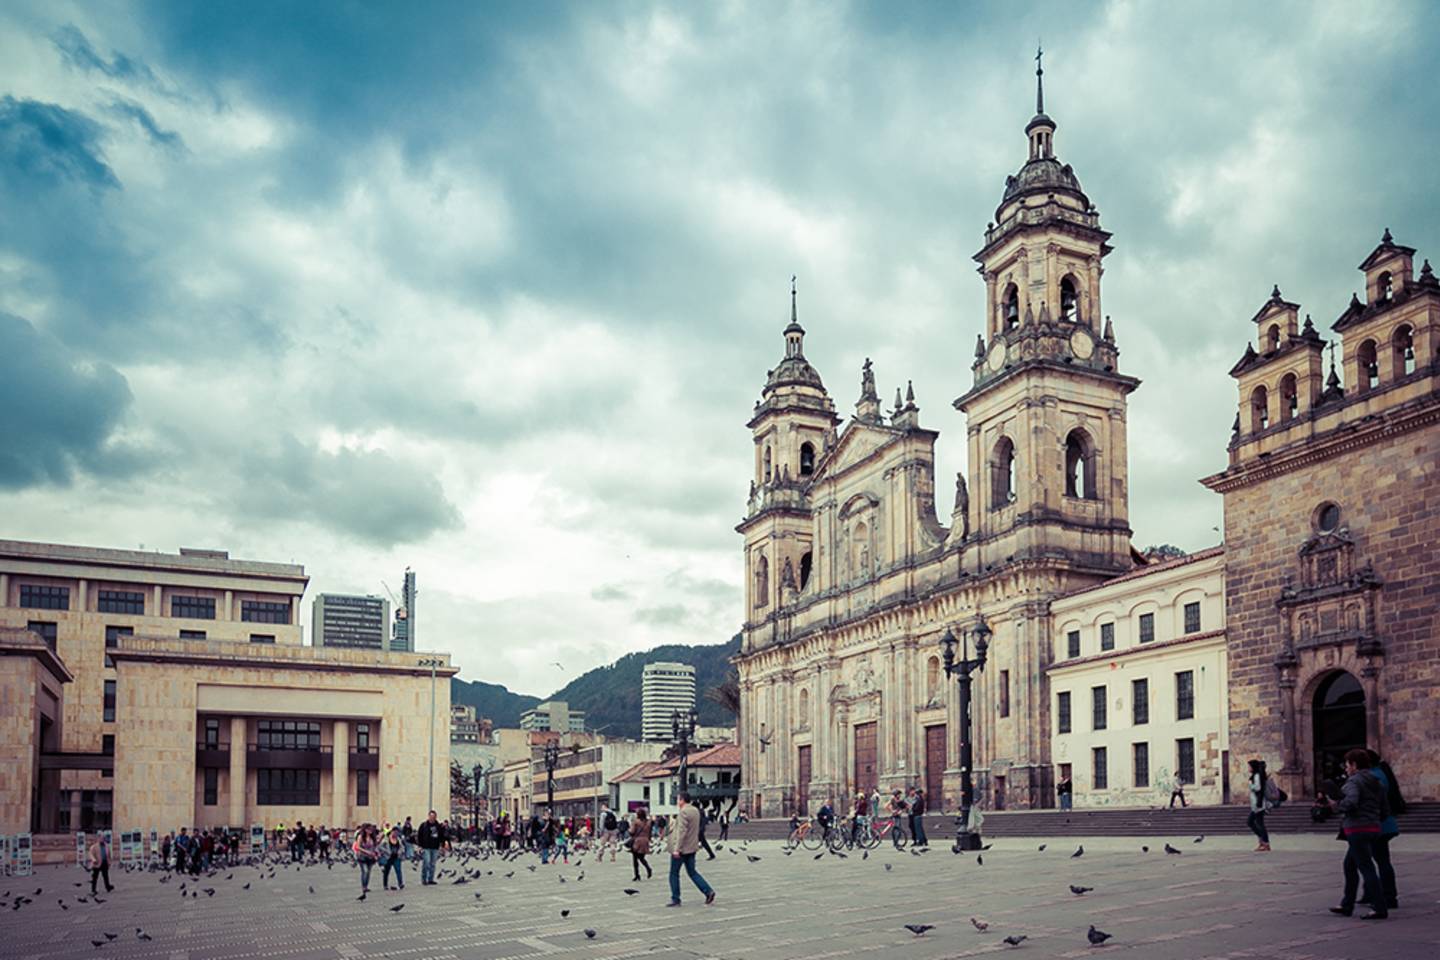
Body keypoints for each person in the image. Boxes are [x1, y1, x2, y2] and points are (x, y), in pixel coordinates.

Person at [1327, 749, 1389, 919]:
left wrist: (1335, 804)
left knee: (1366, 867)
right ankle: (1347, 904)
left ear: (1354, 765)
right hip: (1373, 827)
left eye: (1347, 765)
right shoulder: (1377, 782)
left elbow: (1350, 803)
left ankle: (1379, 907)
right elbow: (1385, 809)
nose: (1346, 769)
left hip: (1357, 828)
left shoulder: (1354, 782)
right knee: (1349, 865)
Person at [1366, 751, 1402, 911]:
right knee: (1373, 860)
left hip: (1378, 825)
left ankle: (1388, 896)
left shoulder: (1374, 777)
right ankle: (1373, 893)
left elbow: (1371, 801)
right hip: (1382, 824)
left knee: (1381, 861)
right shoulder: (1379, 773)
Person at [666, 792, 715, 906]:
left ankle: (676, 898)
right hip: (692, 847)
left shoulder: (683, 812)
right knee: (692, 872)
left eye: (678, 800)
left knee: (674, 873)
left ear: (682, 800)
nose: (678, 802)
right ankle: (708, 891)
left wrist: (677, 849)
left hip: (682, 848)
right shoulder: (695, 810)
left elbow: (682, 832)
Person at [1247, 759, 1272, 852]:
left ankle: (1264, 843)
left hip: (1259, 804)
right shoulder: (1255, 776)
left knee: (1254, 822)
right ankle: (1263, 842)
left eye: (1249, 766)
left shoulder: (1257, 776)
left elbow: (1258, 788)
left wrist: (1250, 785)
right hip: (1256, 804)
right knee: (1255, 823)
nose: (1248, 768)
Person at [417, 810, 444, 884]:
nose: (432, 818)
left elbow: (441, 836)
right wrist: (419, 846)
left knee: (433, 864)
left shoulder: (438, 826)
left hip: (435, 847)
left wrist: (442, 846)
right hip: (426, 847)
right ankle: (424, 879)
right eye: (431, 816)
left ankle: (430, 879)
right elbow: (419, 836)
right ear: (428, 816)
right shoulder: (423, 825)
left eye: (434, 817)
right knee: (427, 862)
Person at [353, 825, 379, 896]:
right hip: (362, 857)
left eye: (371, 829)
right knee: (365, 871)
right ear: (365, 830)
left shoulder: (372, 838)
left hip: (370, 857)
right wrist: (366, 852)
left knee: (368, 872)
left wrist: (376, 854)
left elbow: (375, 846)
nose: (370, 831)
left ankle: (366, 886)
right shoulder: (360, 837)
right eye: (368, 829)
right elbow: (357, 847)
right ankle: (363, 887)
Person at [630, 808, 653, 881]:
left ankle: (637, 875)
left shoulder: (636, 822)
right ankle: (648, 868)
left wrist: (629, 830)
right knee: (641, 858)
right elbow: (650, 832)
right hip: (645, 841)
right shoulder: (648, 822)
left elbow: (632, 831)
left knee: (635, 859)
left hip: (637, 841)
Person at [381, 826, 406, 891]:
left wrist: (400, 852)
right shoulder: (386, 839)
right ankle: (385, 885)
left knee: (398, 871)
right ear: (392, 831)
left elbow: (402, 847)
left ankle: (400, 884)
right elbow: (380, 847)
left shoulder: (399, 839)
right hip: (388, 858)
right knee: (386, 872)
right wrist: (386, 852)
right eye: (395, 832)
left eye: (397, 833)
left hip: (396, 857)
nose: (396, 834)